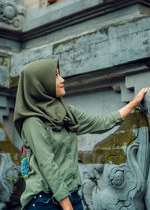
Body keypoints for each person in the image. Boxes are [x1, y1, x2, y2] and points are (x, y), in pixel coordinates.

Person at [14, 59, 150, 210]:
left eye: (60, 75)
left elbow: (101, 123)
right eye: (56, 76)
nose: (62, 80)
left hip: (72, 197)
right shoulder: (32, 121)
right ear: (41, 83)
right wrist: (67, 206)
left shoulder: (66, 112)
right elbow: (47, 165)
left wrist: (134, 103)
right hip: (45, 202)